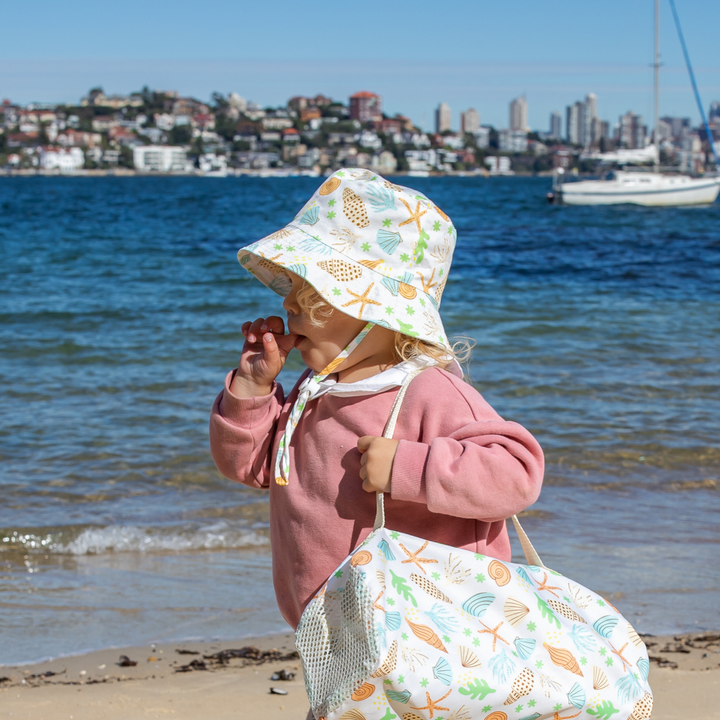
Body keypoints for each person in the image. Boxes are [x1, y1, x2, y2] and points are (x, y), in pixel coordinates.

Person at [209, 168, 544, 633]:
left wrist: (409, 468)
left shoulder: (428, 392)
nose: (289, 307)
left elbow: (516, 477)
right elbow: (251, 467)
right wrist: (251, 389)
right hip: (333, 634)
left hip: (431, 630)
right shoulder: (313, 390)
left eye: (313, 296)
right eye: (292, 291)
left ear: (380, 314)